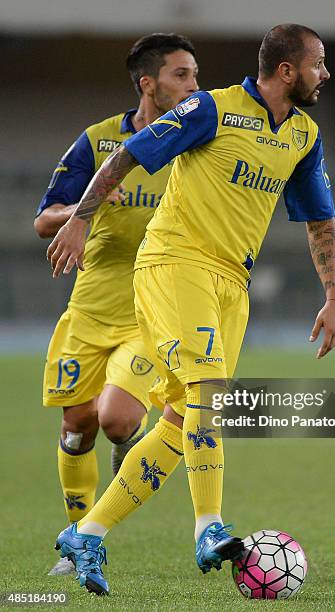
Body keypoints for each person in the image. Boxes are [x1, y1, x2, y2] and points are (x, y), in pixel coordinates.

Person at [47, 24, 335, 596]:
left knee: (186, 420)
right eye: (318, 63)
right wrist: (81, 218)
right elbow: (129, 155)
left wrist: (334, 295)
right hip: (174, 262)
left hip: (232, 282)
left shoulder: (304, 135)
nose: (325, 73)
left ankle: (89, 531)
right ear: (287, 71)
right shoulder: (213, 110)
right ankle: (209, 527)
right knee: (208, 393)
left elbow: (320, 219)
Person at [35, 33, 199, 576]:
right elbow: (43, 219)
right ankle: (74, 537)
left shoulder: (195, 142)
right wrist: (88, 204)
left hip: (151, 309)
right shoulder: (98, 141)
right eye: (182, 75)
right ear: (148, 83)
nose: (193, 85)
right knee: (77, 425)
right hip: (88, 308)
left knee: (116, 416)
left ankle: (93, 530)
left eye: (195, 74)